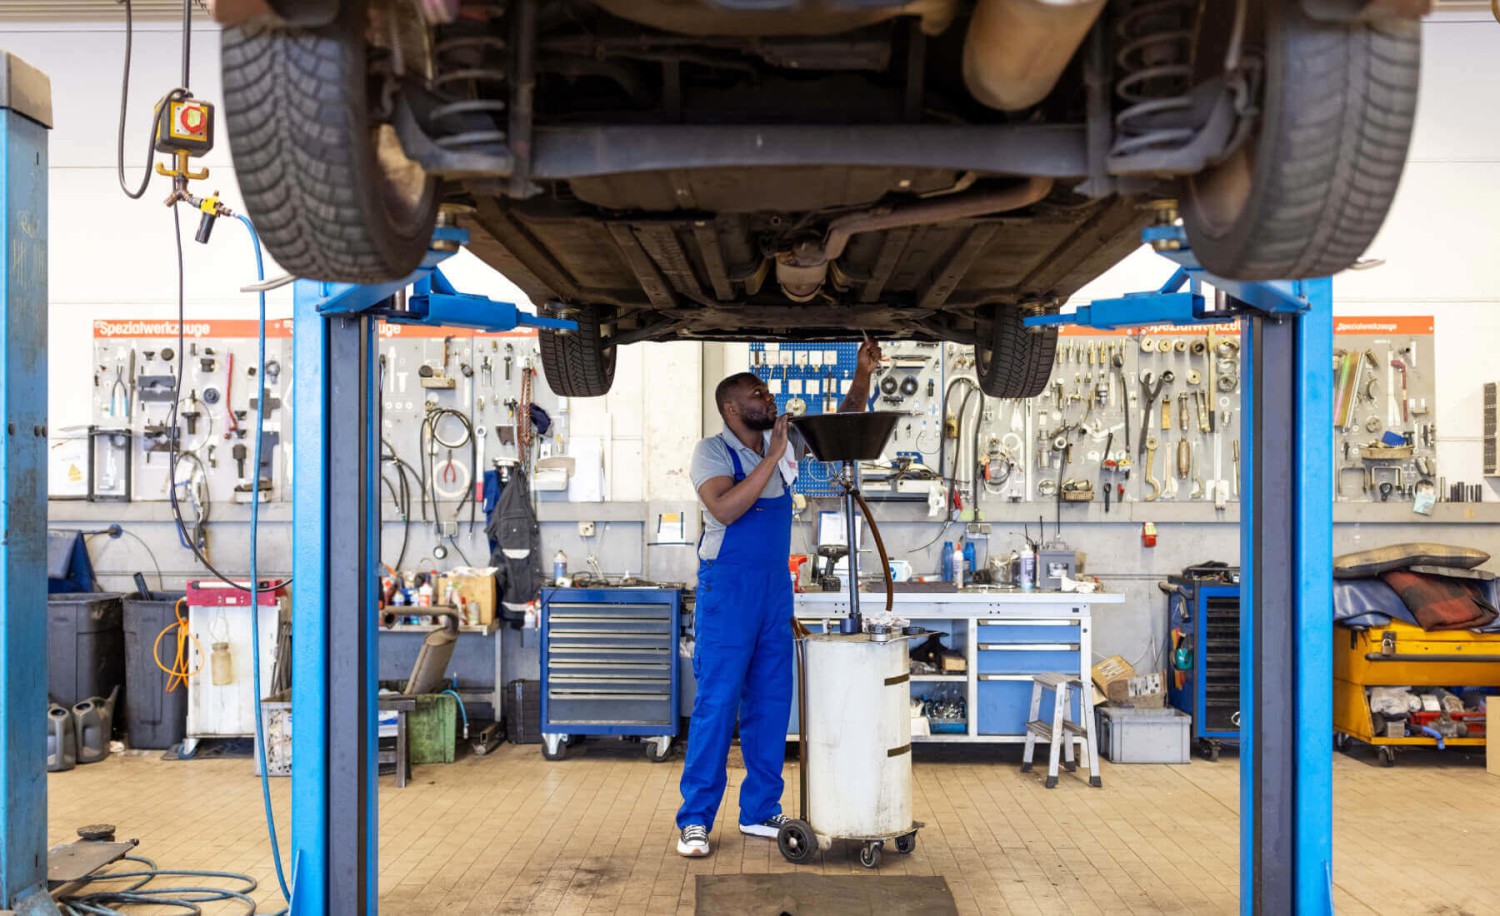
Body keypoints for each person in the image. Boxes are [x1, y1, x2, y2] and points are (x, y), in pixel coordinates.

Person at [675, 340, 883, 857]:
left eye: (767, 392)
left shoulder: (783, 443)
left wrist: (862, 373)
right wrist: (771, 457)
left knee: (771, 701)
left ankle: (761, 809)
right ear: (731, 407)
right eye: (757, 393)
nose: (768, 399)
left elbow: (844, 420)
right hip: (727, 591)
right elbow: (724, 509)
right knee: (717, 705)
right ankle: (696, 819)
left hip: (772, 592)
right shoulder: (713, 452)